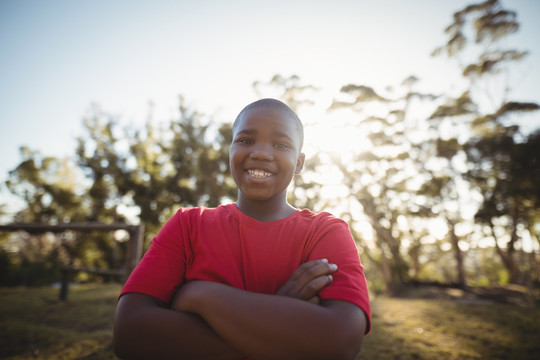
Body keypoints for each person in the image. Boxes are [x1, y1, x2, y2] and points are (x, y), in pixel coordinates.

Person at [113, 98, 371, 360]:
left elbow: (340, 341)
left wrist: (201, 295)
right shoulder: (187, 225)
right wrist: (282, 329)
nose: (260, 153)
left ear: (299, 163)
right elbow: (129, 333)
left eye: (281, 144)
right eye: (246, 140)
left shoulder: (325, 231)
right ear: (230, 150)